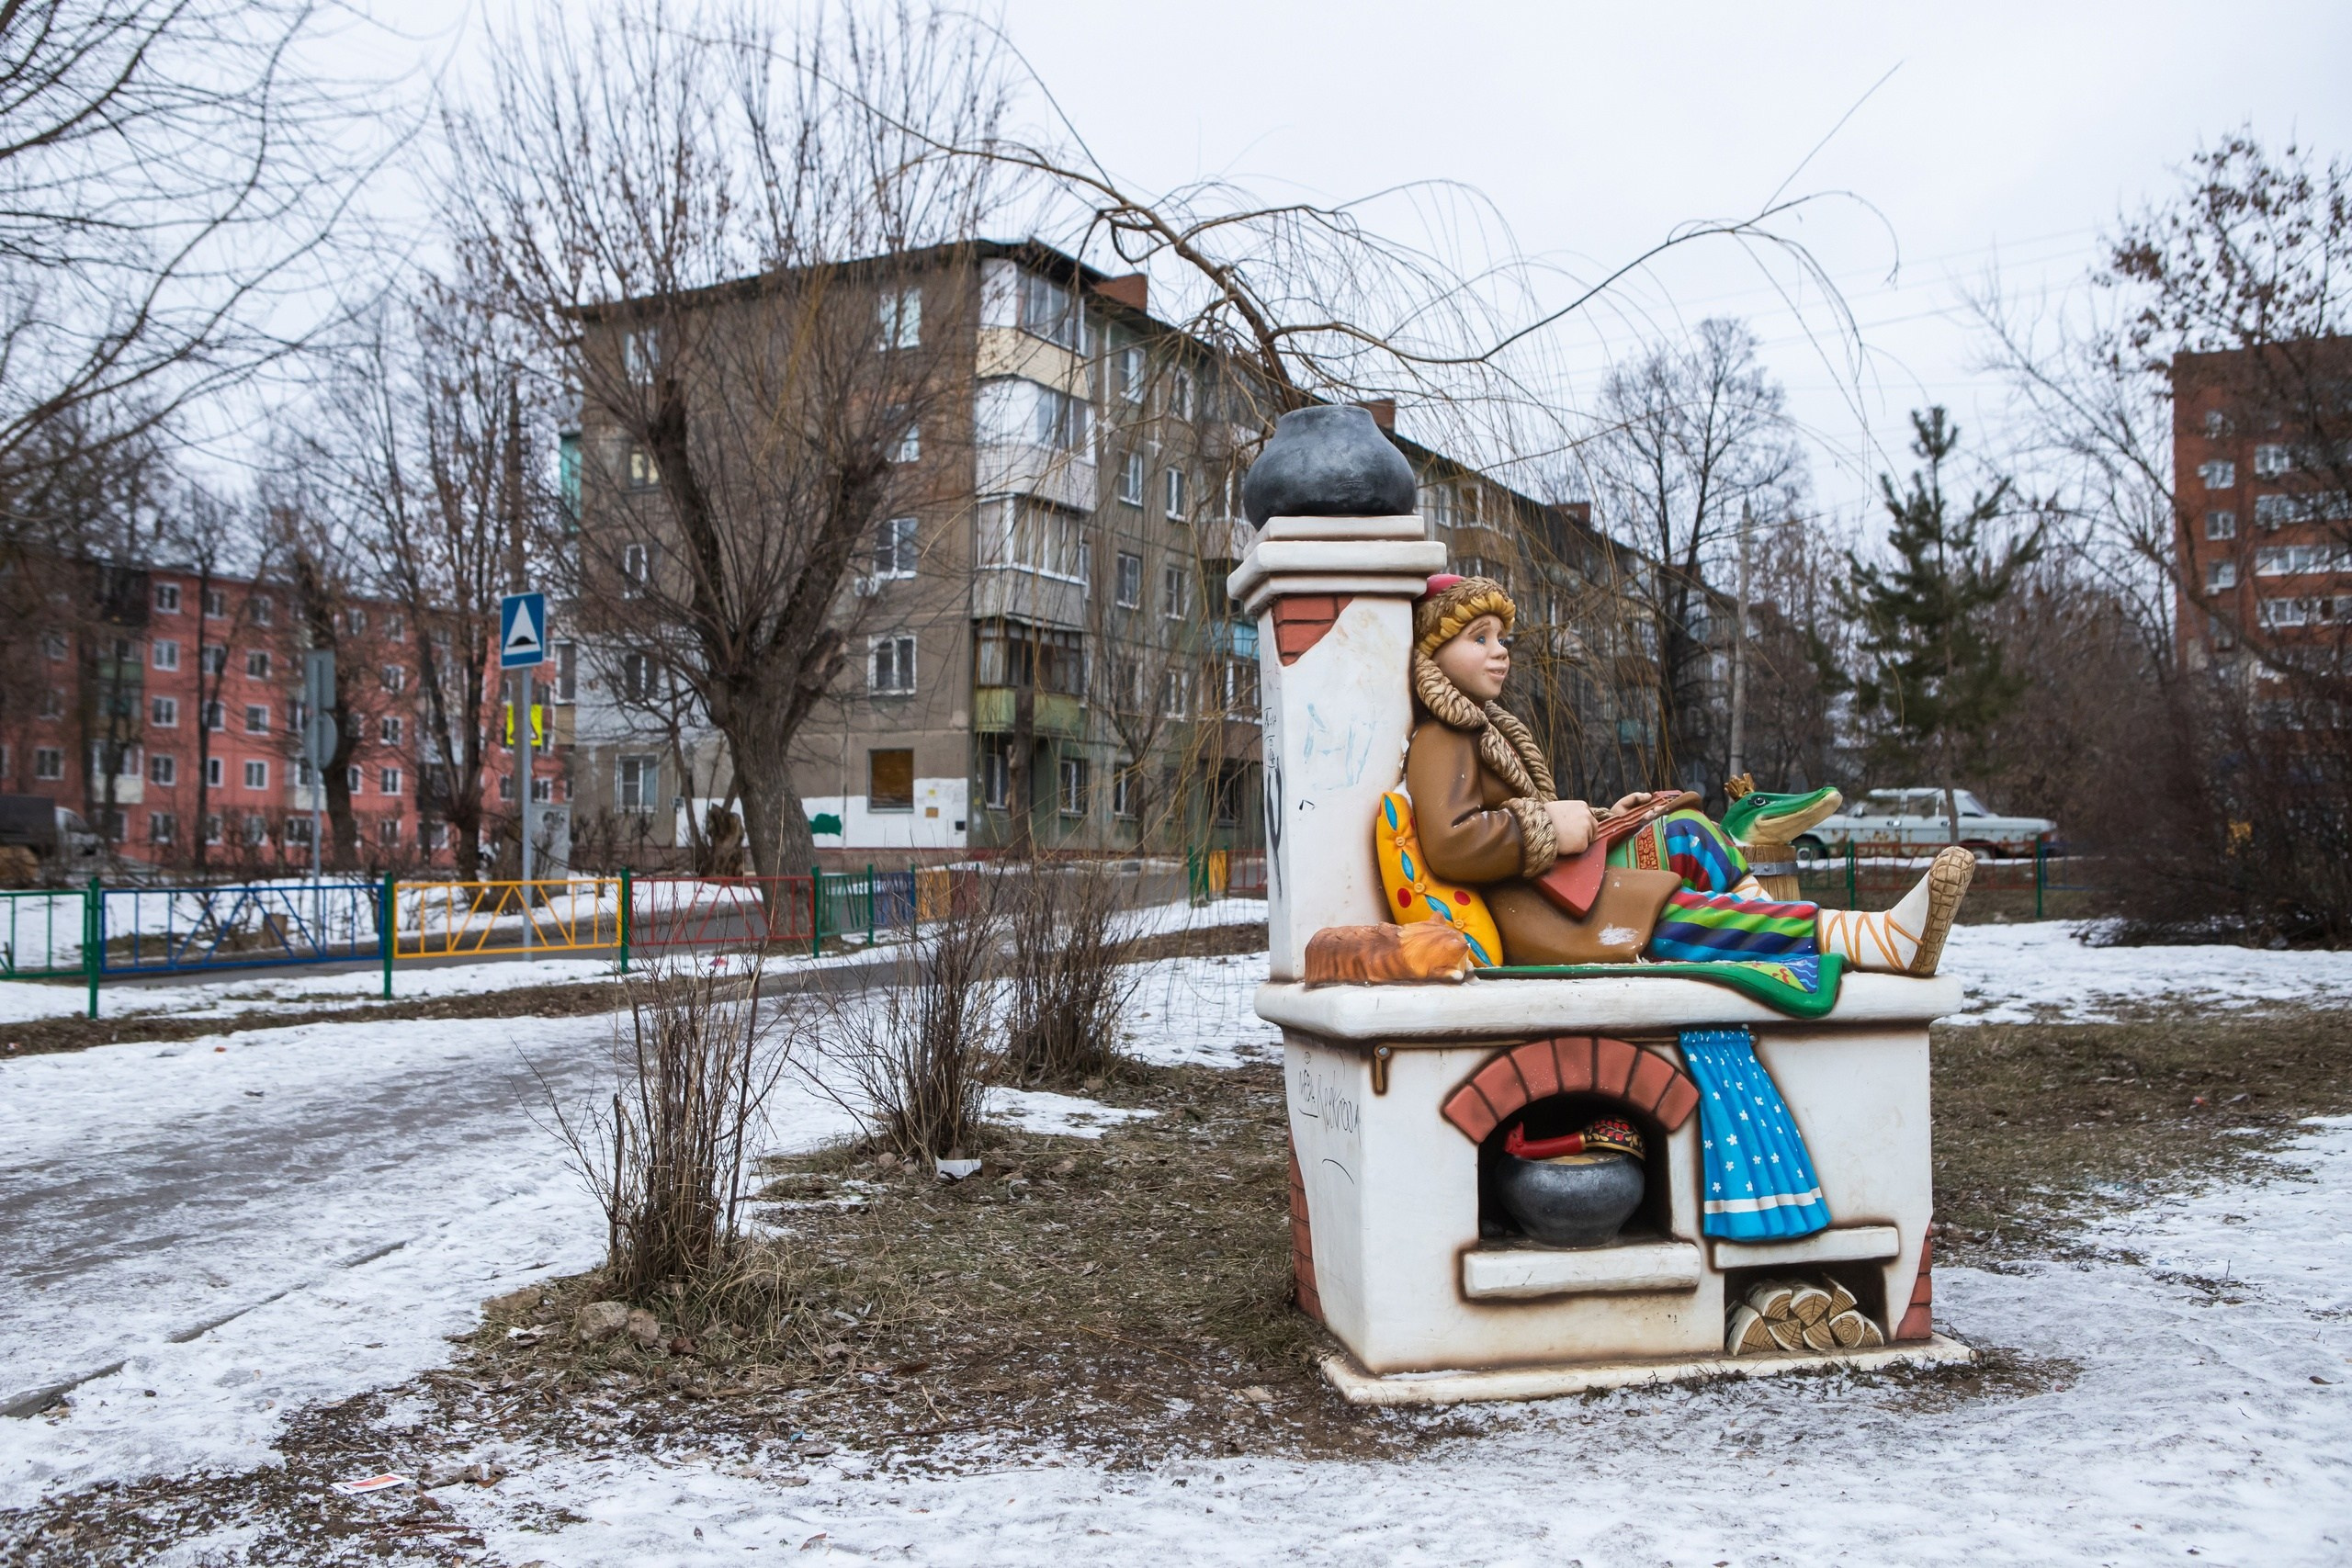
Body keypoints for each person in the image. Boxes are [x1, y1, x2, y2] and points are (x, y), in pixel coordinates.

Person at [1402, 573, 1972, 974]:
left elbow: (1523, 818)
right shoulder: (1443, 735)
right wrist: (1547, 826)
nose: (1500, 652)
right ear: (1435, 650)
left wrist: (1603, 819)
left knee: (1688, 833)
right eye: (1479, 639)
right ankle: (1877, 941)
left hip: (1549, 887)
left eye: (1502, 639)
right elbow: (1452, 842)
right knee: (1674, 914)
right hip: (1533, 916)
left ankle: (1764, 921)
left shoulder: (1482, 727)